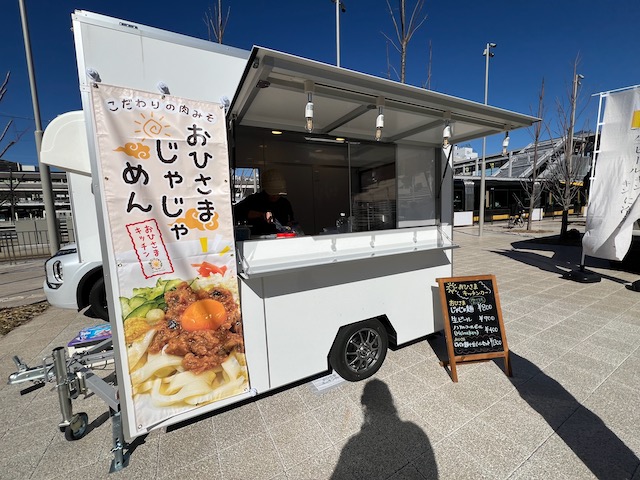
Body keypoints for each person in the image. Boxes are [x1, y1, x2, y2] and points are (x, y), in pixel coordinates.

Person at [234, 169, 294, 236]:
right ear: (265, 189)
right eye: (272, 193)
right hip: (257, 240)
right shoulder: (253, 200)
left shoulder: (285, 203)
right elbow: (235, 213)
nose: (275, 196)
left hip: (281, 239)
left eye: (278, 193)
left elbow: (291, 220)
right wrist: (261, 214)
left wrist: (290, 224)